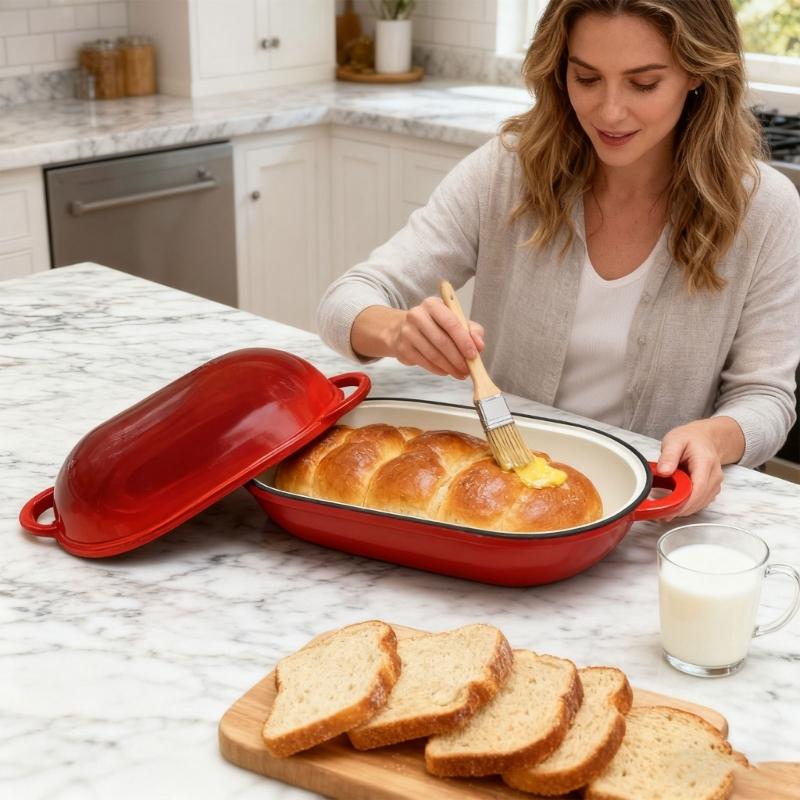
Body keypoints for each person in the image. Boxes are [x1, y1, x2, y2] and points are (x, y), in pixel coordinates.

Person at [317, 0, 800, 518]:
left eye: (644, 84)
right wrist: (396, 331)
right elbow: (345, 301)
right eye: (587, 78)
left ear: (697, 74)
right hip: (505, 497)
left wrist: (716, 436)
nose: (610, 112)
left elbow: (766, 398)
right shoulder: (510, 170)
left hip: (653, 509)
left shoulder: (763, 208)